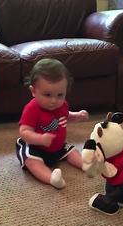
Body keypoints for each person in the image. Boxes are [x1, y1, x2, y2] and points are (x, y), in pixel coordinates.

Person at [16, 58, 89, 189]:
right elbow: (24, 131)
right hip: (35, 147)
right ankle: (51, 179)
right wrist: (39, 139)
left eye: (60, 95)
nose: (54, 101)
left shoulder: (62, 105)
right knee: (32, 162)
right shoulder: (32, 109)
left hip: (58, 146)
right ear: (33, 91)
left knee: (72, 151)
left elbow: (66, 116)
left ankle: (86, 165)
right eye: (47, 95)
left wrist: (77, 116)